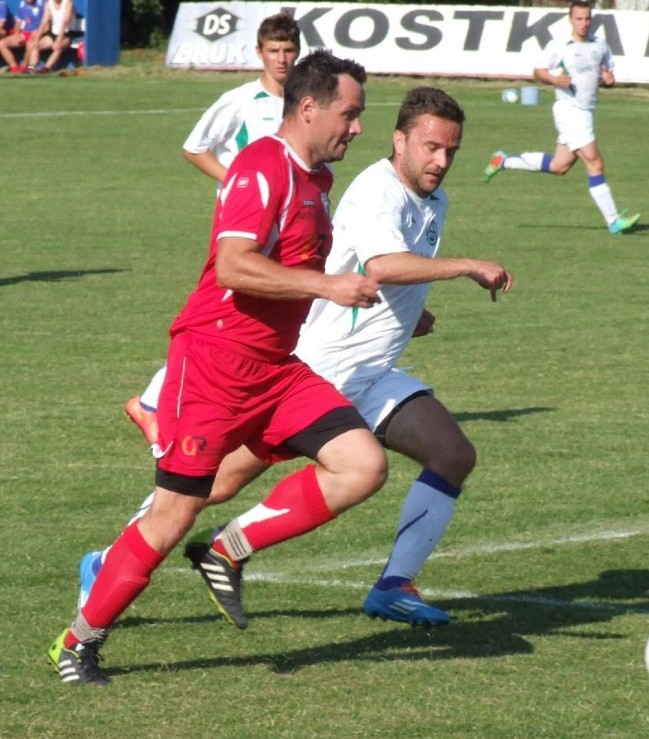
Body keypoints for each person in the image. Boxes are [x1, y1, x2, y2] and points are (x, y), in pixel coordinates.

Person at [79, 86, 513, 632]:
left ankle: (393, 586)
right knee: (208, 486)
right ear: (399, 140)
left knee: (452, 453)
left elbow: (381, 275)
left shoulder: (433, 201)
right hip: (323, 367)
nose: (440, 161)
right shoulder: (377, 190)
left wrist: (412, 313)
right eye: (430, 147)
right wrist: (466, 265)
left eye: (450, 151)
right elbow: (382, 265)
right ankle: (106, 562)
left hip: (373, 371)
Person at [48, 49, 386, 686]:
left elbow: (296, 277)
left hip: (276, 371)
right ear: (308, 107)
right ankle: (78, 640)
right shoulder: (262, 165)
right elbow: (233, 266)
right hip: (211, 369)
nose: (357, 127)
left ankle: (230, 548)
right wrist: (326, 286)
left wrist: (343, 291)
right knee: (172, 515)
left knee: (363, 464)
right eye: (351, 112)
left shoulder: (318, 182)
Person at [124, 11, 302, 441]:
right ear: (258, 53)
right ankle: (150, 402)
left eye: (288, 51)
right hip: (243, 228)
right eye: (273, 51)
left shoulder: (302, 103)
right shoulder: (241, 101)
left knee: (265, 317)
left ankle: (256, 400)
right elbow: (194, 148)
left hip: (288, 226)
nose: (281, 59)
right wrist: (240, 183)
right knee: (222, 317)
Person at [483, 0, 641, 235]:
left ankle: (504, 160)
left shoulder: (600, 45)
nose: (584, 23)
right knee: (595, 163)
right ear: (570, 20)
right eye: (579, 19)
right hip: (569, 111)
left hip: (586, 112)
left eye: (587, 18)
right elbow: (538, 71)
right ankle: (613, 220)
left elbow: (606, 74)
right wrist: (556, 80)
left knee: (560, 166)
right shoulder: (561, 45)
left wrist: (608, 80)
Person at [25, 0, 74, 73]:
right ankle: (31, 68)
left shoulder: (68, 3)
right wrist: (36, 40)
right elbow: (44, 22)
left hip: (66, 34)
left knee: (58, 47)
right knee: (35, 45)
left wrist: (58, 40)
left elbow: (65, 22)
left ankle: (45, 69)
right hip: (53, 33)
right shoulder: (49, 3)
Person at [0, 0, 44, 73]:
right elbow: (18, 21)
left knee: (30, 44)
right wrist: (17, 33)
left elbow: (46, 24)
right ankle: (14, 68)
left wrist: (38, 33)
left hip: (38, 33)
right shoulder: (22, 4)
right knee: (2, 44)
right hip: (25, 32)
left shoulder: (42, 4)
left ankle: (25, 67)